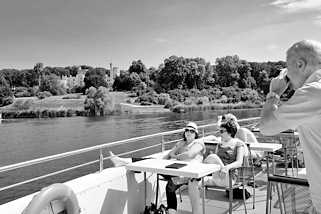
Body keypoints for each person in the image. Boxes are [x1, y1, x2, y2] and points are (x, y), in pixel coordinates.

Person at [259, 40, 321, 213]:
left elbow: (266, 127)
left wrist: (274, 94)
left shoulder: (313, 92)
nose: (289, 80)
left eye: (287, 71)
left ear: (300, 64)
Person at [109, 122, 205, 214]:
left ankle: (172, 211)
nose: (188, 132)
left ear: (196, 133)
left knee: (170, 186)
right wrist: (157, 162)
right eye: (187, 130)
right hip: (175, 169)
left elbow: (189, 154)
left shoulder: (198, 143)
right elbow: (169, 154)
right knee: (150, 161)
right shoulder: (181, 143)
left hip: (190, 174)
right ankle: (123, 161)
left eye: (191, 131)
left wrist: (175, 156)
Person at [204, 120, 248, 187]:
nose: (220, 133)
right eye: (219, 131)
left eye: (222, 131)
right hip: (217, 177)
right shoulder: (219, 144)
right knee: (195, 181)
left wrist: (226, 168)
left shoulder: (238, 144)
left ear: (230, 132)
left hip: (229, 178)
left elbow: (239, 162)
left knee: (213, 157)